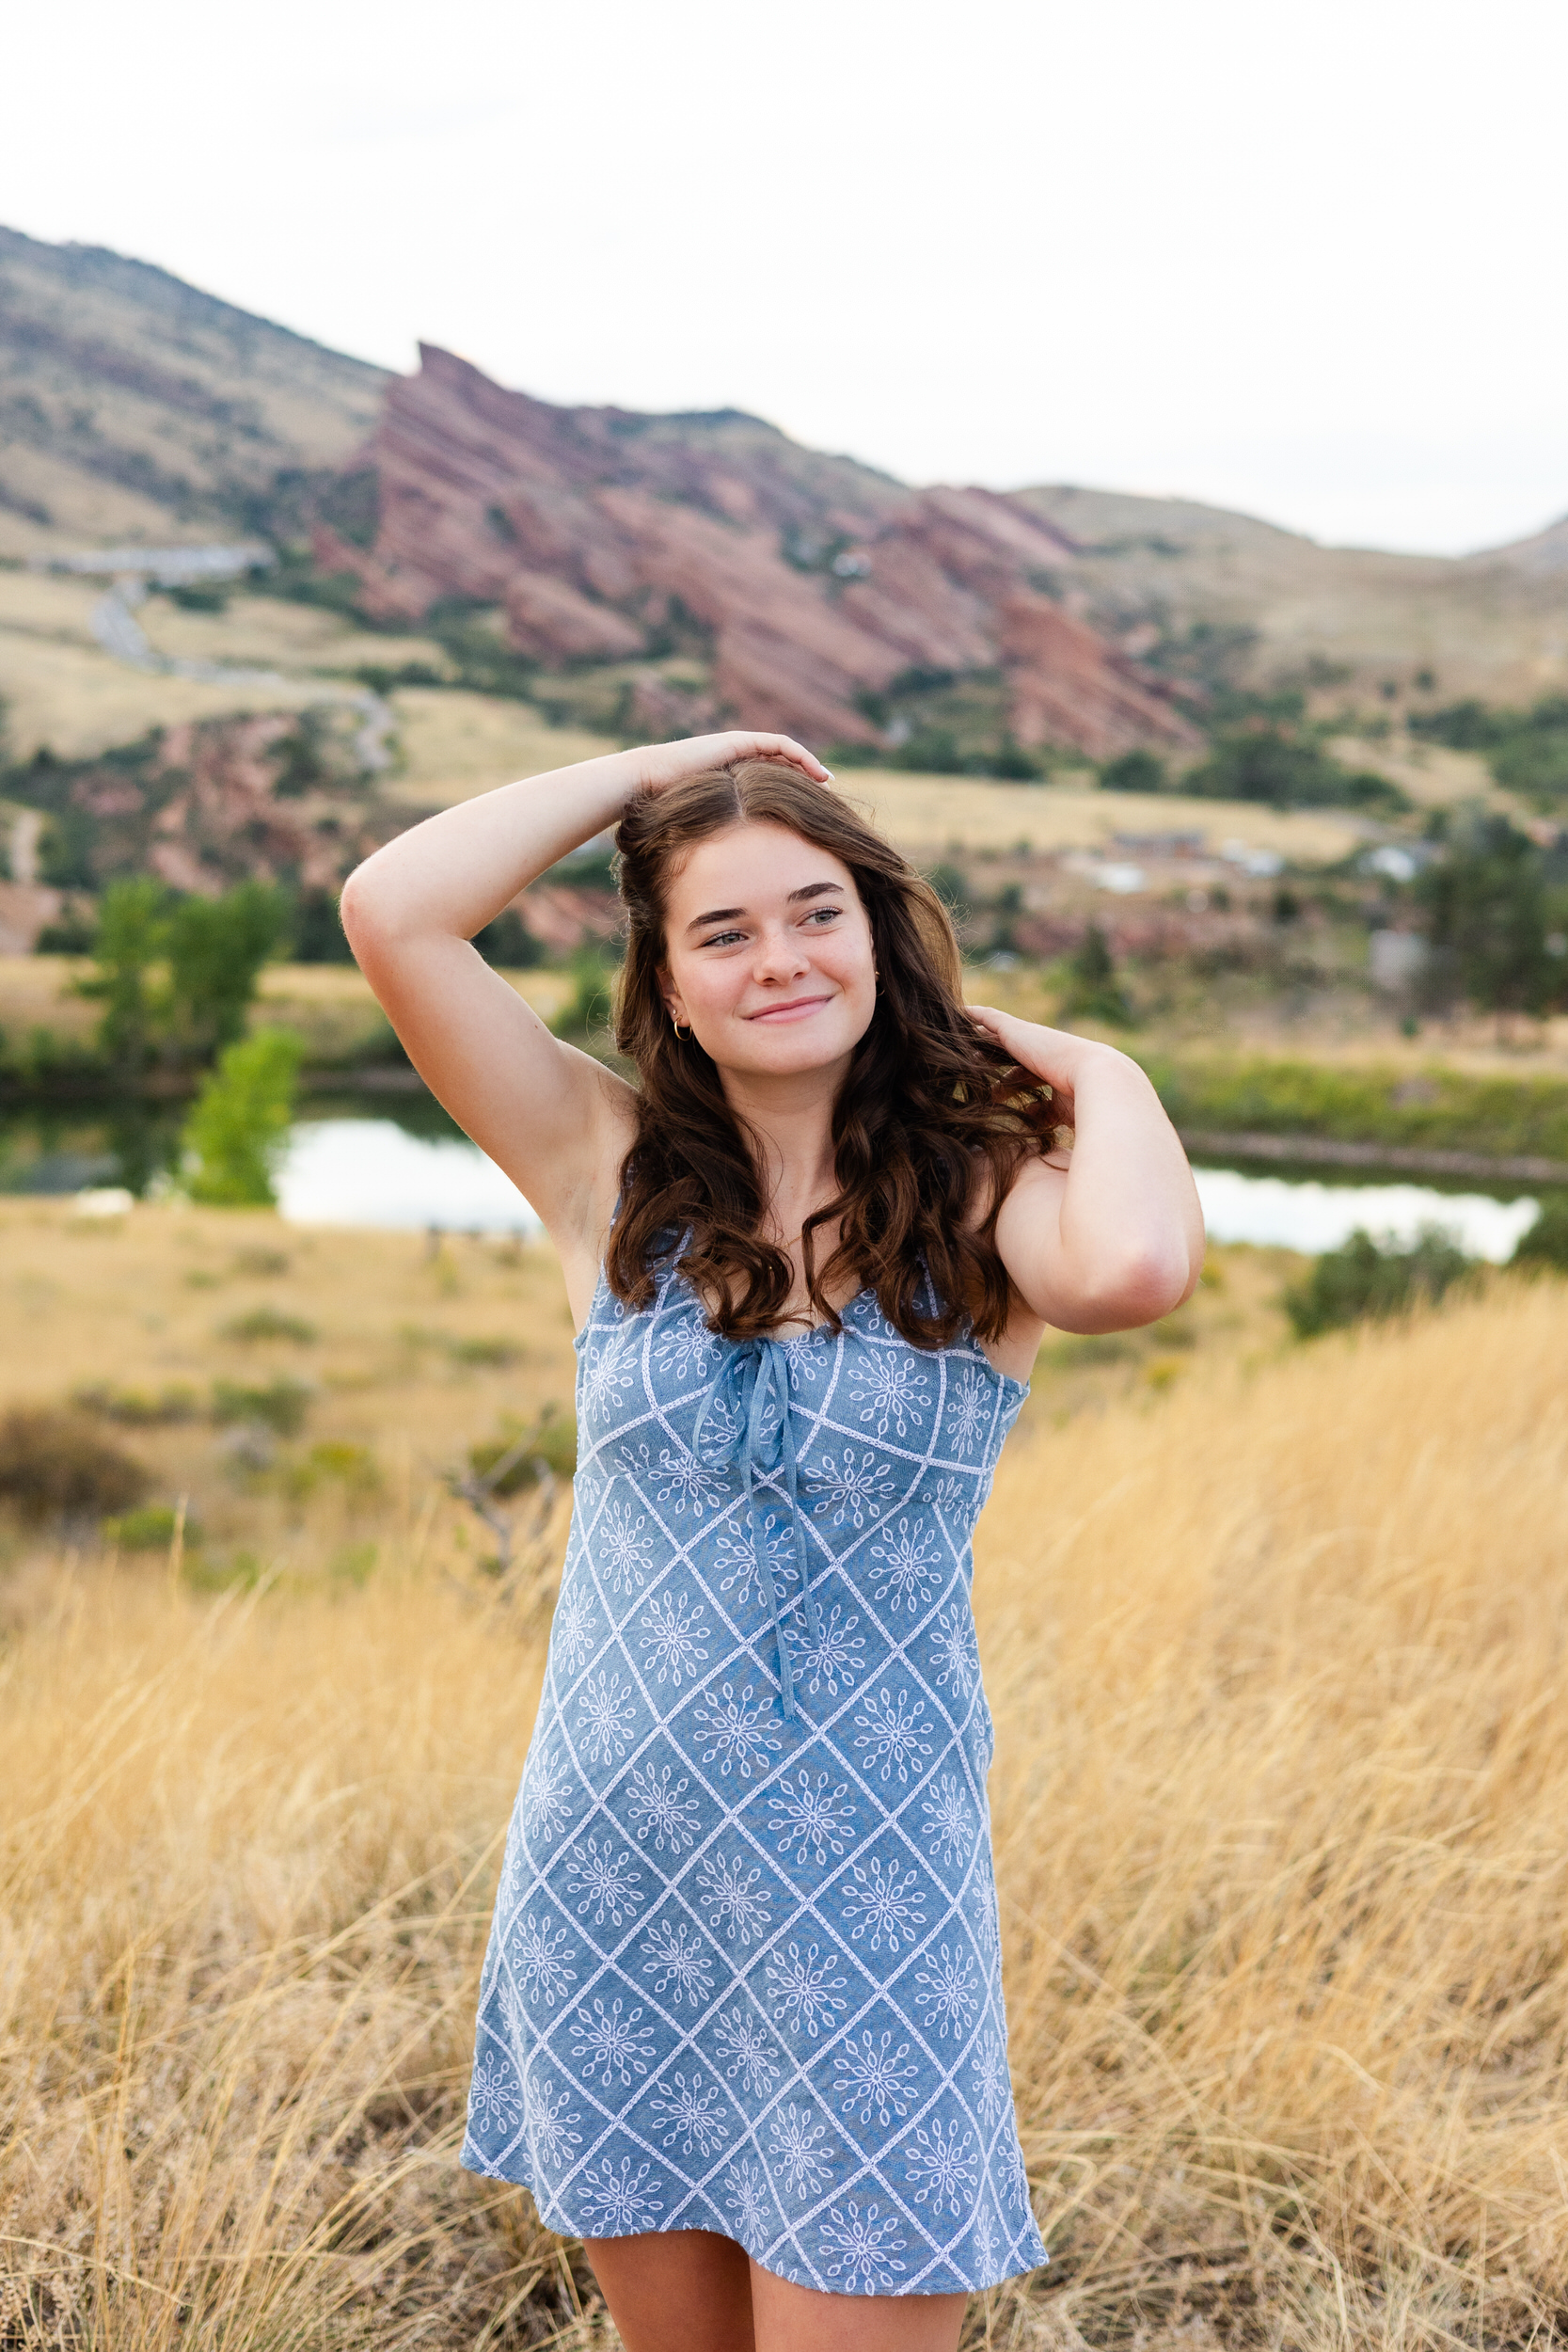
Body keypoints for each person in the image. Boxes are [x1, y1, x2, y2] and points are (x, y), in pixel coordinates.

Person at [342, 732, 1203, 2352]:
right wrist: (667, 770)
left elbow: (1138, 1269)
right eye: (720, 932)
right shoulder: (605, 1171)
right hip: (618, 1878)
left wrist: (1101, 1067)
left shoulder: (985, 1197)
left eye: (816, 912)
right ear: (667, 983)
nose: (779, 959)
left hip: (869, 1910)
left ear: (878, 930)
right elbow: (395, 911)